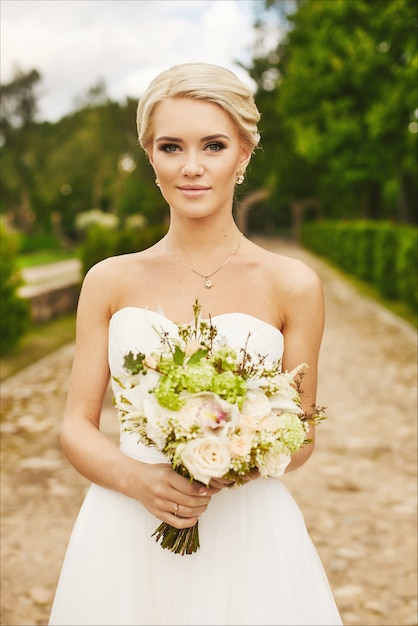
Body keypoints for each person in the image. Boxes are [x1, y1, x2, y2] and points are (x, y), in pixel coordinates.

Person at [49, 62, 342, 626]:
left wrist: (232, 461)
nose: (191, 167)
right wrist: (139, 481)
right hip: (125, 528)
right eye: (170, 147)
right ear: (150, 157)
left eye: (212, 145)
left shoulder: (293, 285)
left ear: (244, 153)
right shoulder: (108, 281)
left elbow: (300, 436)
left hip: (247, 532)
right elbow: (75, 426)